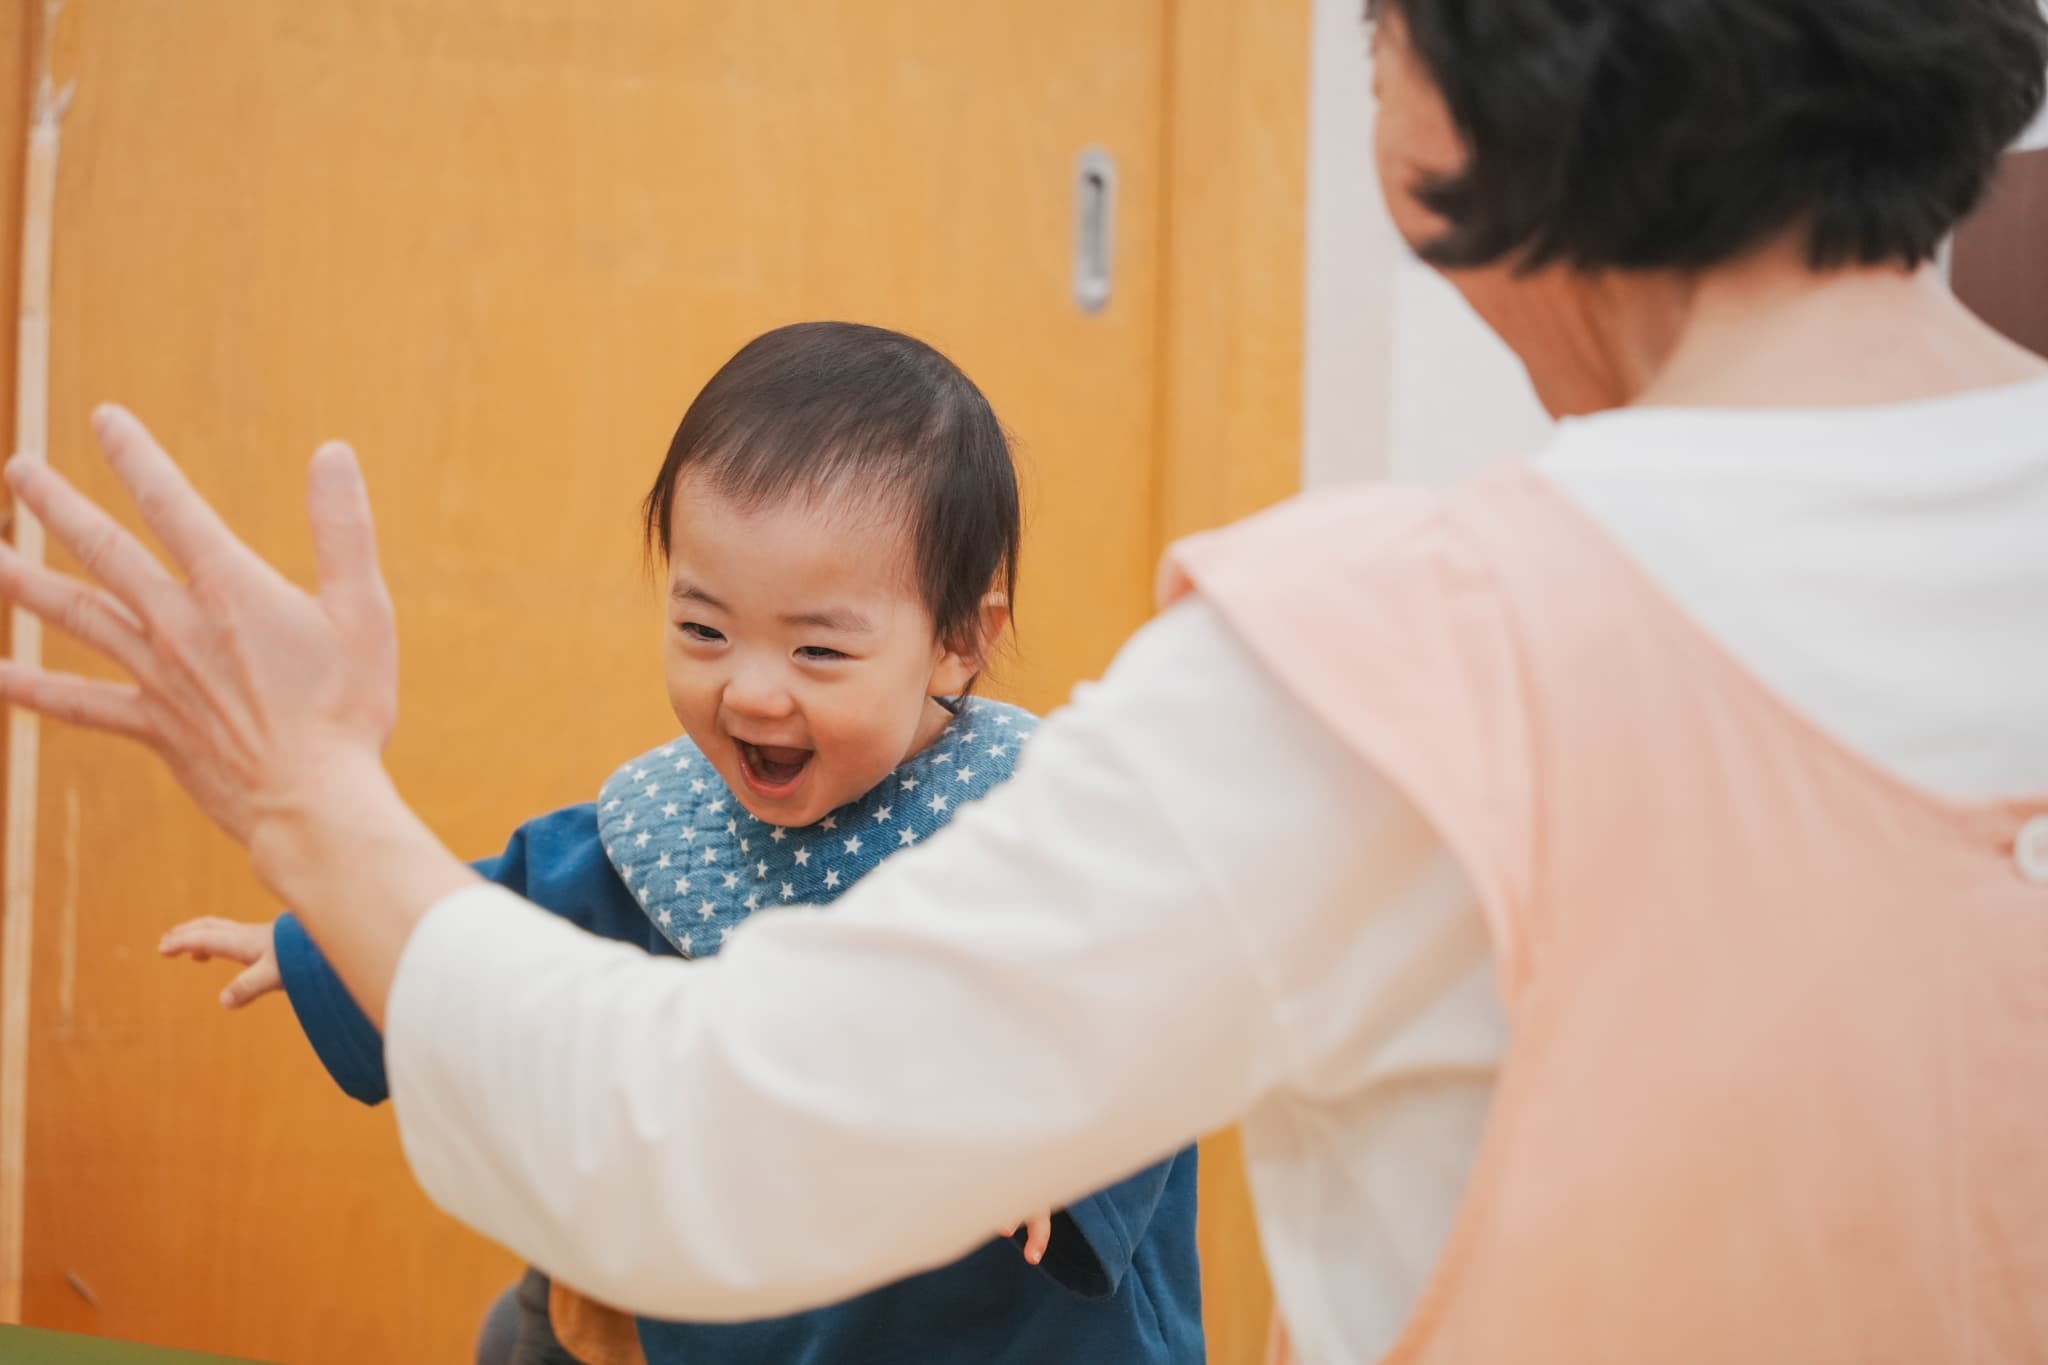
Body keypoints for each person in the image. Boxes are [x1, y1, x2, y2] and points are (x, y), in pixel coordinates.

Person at [3, 1, 2046, 1360]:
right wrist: (332, 921)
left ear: (1489, 82)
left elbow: (701, 1139)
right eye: (709, 623)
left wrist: (310, 786)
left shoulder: (1406, 662)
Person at [155, 322, 1204, 1365]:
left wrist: (1065, 1155)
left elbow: (1151, 1013)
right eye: (704, 630)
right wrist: (320, 942)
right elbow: (490, 928)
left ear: (959, 642)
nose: (748, 689)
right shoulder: (666, 834)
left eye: (818, 649)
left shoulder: (1037, 826)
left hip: (998, 1329)